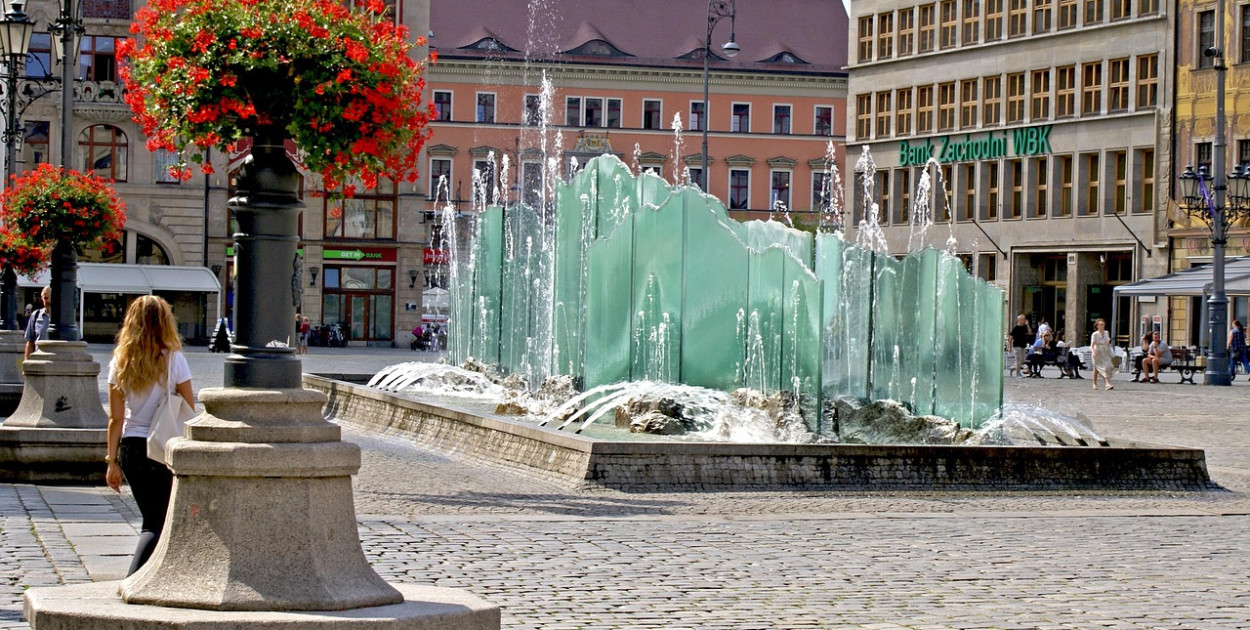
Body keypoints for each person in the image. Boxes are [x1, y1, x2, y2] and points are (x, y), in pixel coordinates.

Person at [104, 296, 194, 577]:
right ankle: (133, 580)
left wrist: (111, 462)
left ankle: (152, 579)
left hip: (131, 448)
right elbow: (189, 408)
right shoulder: (175, 360)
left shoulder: (120, 362)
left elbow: (115, 418)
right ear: (166, 322)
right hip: (162, 447)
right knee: (157, 523)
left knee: (153, 519)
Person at [23, 286, 51, 360]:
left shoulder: (65, 318)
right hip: (39, 361)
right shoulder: (36, 315)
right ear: (42, 299)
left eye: (52, 297)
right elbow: (30, 342)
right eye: (45, 298)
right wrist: (26, 362)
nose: (49, 301)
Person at [1089, 318, 1114, 391]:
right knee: (1096, 369)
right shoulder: (1095, 334)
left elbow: (1108, 343)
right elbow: (1092, 345)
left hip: (1105, 352)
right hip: (1097, 352)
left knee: (1107, 367)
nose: (1102, 326)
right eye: (1100, 324)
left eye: (1103, 324)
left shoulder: (1106, 332)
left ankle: (1107, 384)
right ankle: (1096, 383)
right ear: (1097, 326)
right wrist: (1093, 352)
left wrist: (1110, 351)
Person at [1008, 314, 1032, 379]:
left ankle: (1013, 367)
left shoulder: (1024, 327)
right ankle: (1017, 373)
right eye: (1023, 319)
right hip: (1017, 346)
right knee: (1018, 360)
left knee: (1023, 360)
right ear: (1019, 320)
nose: (1024, 321)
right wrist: (1009, 347)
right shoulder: (1016, 328)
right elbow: (1010, 337)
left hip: (1023, 346)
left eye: (1024, 319)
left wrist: (1027, 325)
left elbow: (1030, 333)